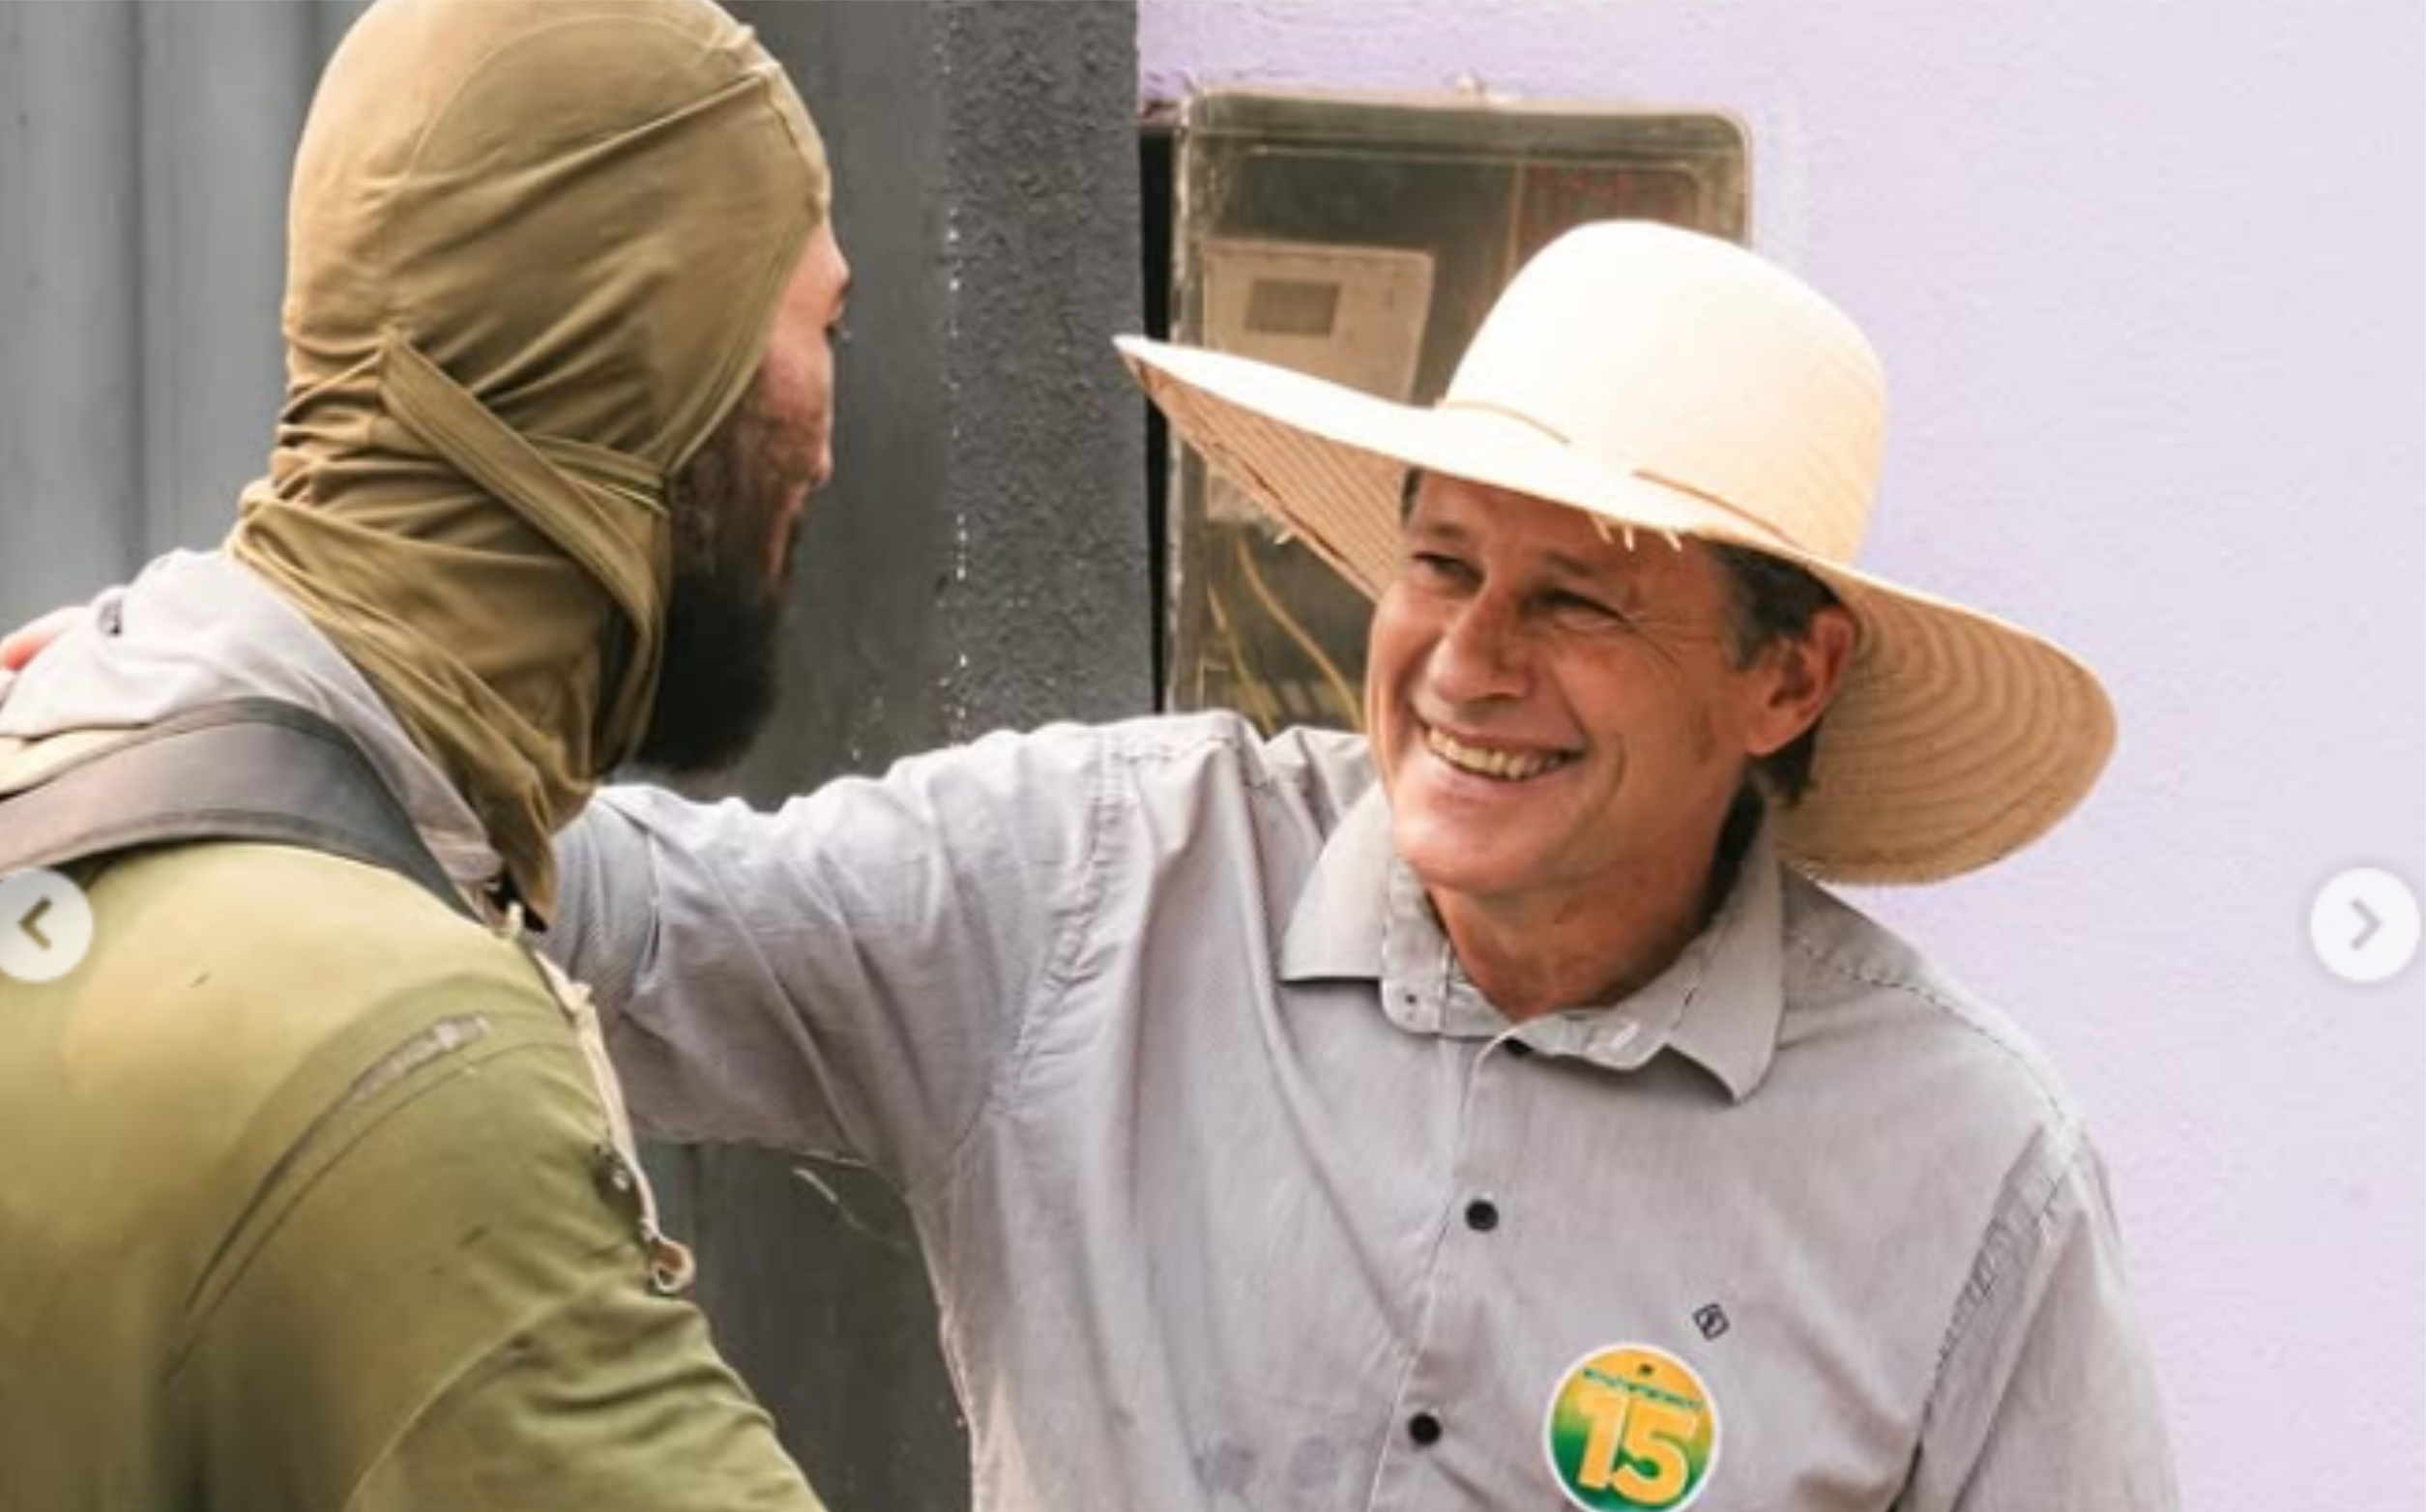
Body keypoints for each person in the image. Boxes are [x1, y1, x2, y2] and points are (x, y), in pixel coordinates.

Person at [543, 222, 2178, 1510]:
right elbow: (600, 923)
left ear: (1787, 680)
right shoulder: (1096, 884)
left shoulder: (1966, 1166)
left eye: (1576, 600)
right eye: (1441, 564)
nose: (1468, 663)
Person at [0, 0, 848, 1505]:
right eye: (817, 334)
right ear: (657, 365)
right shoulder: (402, 1057)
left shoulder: (70, 773)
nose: (826, 450)